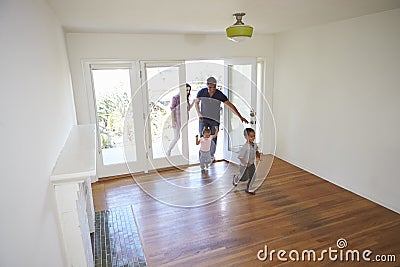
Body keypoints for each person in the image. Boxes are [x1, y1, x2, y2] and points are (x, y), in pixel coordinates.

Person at [195, 77, 249, 161]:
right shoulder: (202, 92)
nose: (212, 89)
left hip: (215, 119)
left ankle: (211, 156)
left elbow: (231, 106)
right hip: (203, 119)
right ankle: (203, 156)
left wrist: (240, 116)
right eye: (210, 87)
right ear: (207, 85)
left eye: (214, 87)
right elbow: (196, 103)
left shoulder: (219, 94)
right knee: (203, 137)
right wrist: (199, 113)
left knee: (213, 137)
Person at [167, 83, 194, 156]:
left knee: (185, 137)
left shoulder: (186, 98)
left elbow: (188, 109)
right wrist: (173, 121)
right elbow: (172, 110)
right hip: (177, 121)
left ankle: (184, 154)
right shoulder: (175, 98)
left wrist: (193, 102)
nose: (188, 92)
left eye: (188, 90)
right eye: (186, 90)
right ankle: (169, 150)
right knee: (176, 137)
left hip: (184, 121)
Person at [232, 128, 261, 195]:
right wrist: (245, 163)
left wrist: (259, 156)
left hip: (251, 164)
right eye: (251, 136)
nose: (253, 138)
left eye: (254, 136)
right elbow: (240, 157)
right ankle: (236, 178)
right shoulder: (245, 147)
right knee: (244, 178)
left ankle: (249, 188)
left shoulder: (255, 145)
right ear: (246, 137)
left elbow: (256, 151)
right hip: (244, 165)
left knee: (253, 176)